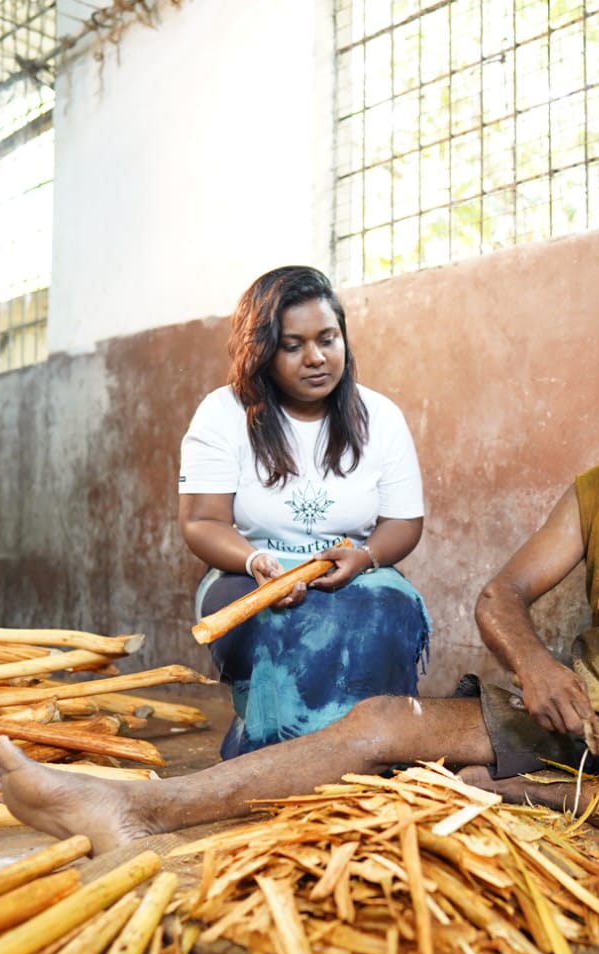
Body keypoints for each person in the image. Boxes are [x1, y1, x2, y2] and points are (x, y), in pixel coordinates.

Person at [0, 363, 599, 859]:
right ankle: (133, 807)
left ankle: (531, 793)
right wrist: (535, 664)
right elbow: (502, 595)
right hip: (571, 706)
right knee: (381, 720)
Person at [179, 265, 429, 757]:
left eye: (328, 339)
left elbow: (404, 522)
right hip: (248, 569)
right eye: (292, 346)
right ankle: (269, 748)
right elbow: (202, 522)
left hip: (350, 568)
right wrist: (255, 563)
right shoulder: (222, 413)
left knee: (391, 608)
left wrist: (368, 557)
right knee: (259, 620)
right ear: (262, 351)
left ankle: (372, 748)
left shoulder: (379, 416)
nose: (315, 358)